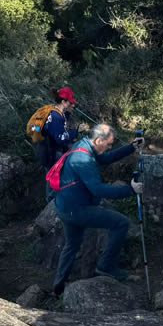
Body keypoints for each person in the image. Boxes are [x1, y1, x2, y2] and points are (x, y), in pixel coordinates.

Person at [51, 124, 144, 296]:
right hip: (78, 210)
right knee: (121, 223)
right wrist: (130, 190)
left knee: (72, 245)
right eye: (108, 144)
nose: (109, 147)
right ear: (99, 140)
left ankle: (58, 285)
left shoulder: (84, 145)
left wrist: (131, 148)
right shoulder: (83, 160)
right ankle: (106, 266)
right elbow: (98, 190)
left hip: (65, 207)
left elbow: (105, 159)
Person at [38, 86, 81, 200]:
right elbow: (60, 138)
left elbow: (57, 130)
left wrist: (67, 114)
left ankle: (55, 197)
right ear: (63, 102)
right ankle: (51, 202)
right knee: (53, 176)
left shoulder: (56, 111)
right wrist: (76, 132)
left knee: (53, 175)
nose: (73, 105)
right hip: (51, 153)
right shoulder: (56, 116)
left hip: (49, 150)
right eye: (71, 103)